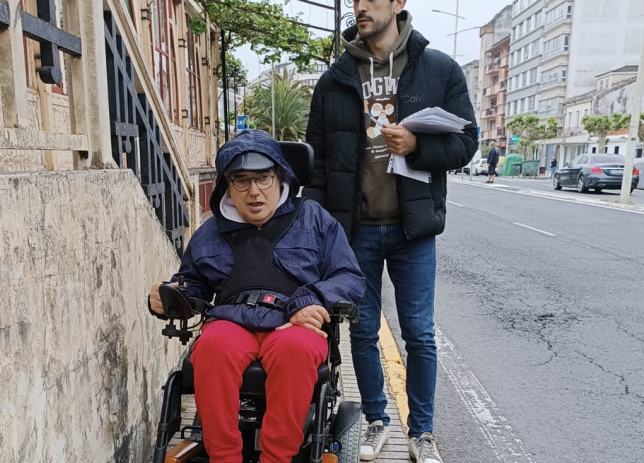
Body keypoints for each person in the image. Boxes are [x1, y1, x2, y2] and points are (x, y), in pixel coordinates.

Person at [304, 0, 477, 461]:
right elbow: (317, 164)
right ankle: (377, 420)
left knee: (419, 332)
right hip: (355, 231)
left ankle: (422, 431)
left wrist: (419, 145)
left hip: (412, 229)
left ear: (399, 3)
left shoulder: (437, 68)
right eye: (355, 0)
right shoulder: (335, 78)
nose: (360, 7)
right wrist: (318, 229)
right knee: (360, 331)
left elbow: (467, 143)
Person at [148, 129, 365, 463]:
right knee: (212, 347)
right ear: (227, 187)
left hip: (293, 324)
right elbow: (192, 285)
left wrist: (315, 298)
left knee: (296, 349)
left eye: (263, 178)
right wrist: (169, 297)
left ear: (280, 176)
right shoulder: (211, 232)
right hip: (233, 320)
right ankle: (224, 458)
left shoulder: (313, 219)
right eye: (241, 181)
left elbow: (349, 277)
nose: (254, 192)